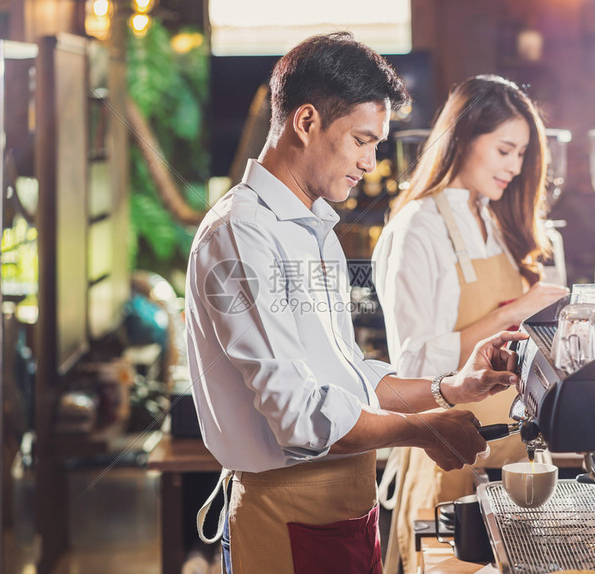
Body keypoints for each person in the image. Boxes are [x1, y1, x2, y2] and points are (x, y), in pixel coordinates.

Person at [185, 36, 528, 574]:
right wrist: (423, 429)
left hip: (345, 510)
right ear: (305, 121)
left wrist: (449, 387)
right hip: (288, 516)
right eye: (361, 141)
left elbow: (348, 382)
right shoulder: (241, 236)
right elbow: (300, 418)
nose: (372, 162)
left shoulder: (314, 226)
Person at [371, 74, 569, 572]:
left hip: (511, 454)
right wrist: (510, 312)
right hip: (449, 457)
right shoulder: (417, 227)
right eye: (505, 149)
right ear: (463, 137)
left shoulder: (497, 221)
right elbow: (411, 365)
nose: (515, 167)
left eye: (522, 155)